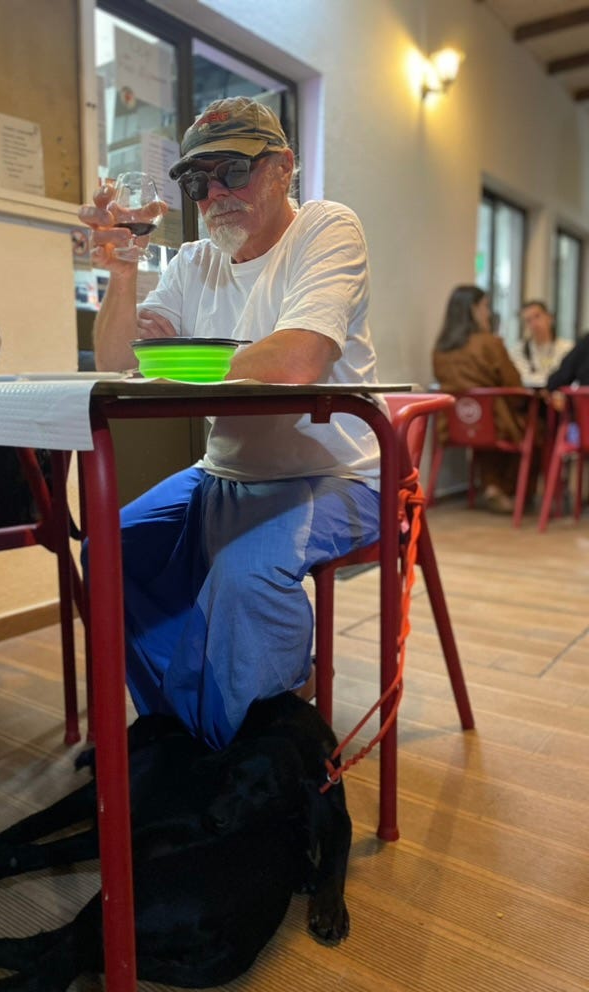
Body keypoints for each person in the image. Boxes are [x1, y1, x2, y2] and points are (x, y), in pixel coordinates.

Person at [77, 96, 382, 749]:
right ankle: (181, 727)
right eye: (195, 180)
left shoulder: (327, 229)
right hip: (228, 471)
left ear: (283, 168)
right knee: (105, 546)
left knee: (245, 575)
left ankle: (250, 755)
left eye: (232, 171)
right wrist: (125, 267)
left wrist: (176, 363)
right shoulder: (193, 263)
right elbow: (116, 364)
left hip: (338, 473)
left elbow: (298, 360)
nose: (213, 193)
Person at [432, 284, 528, 514]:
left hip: (453, 425)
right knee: (535, 428)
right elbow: (514, 383)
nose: (488, 312)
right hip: (494, 423)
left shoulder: (440, 348)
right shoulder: (490, 343)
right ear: (473, 309)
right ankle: (508, 491)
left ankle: (492, 486)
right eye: (485, 306)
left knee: (489, 432)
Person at [513, 300, 574, 388]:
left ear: (549, 317)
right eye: (528, 320)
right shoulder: (519, 350)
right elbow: (522, 378)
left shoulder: (567, 348)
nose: (534, 324)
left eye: (537, 316)